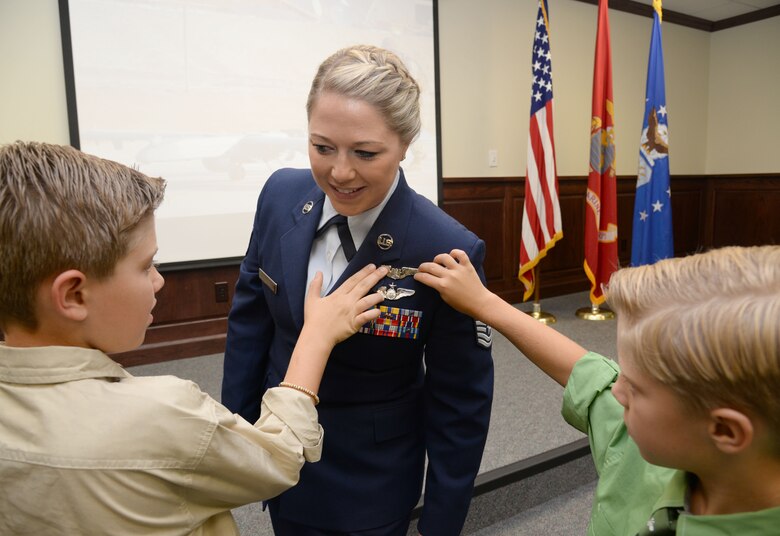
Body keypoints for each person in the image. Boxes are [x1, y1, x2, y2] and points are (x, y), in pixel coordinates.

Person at [0, 141, 388, 535]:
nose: (158, 280)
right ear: (73, 295)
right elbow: (278, 457)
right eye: (146, 266)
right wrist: (315, 337)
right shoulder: (162, 415)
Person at [222, 45, 494, 536]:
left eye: (365, 153)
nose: (340, 173)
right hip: (279, 454)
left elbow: (460, 403)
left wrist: (441, 523)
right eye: (322, 147)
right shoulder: (280, 195)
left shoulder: (444, 247)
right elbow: (249, 323)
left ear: (405, 144)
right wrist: (237, 442)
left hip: (369, 482)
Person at [414, 246, 780, 535]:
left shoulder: (651, 444)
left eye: (635, 388)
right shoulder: (661, 436)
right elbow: (581, 368)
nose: (617, 392)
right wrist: (485, 304)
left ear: (725, 430)